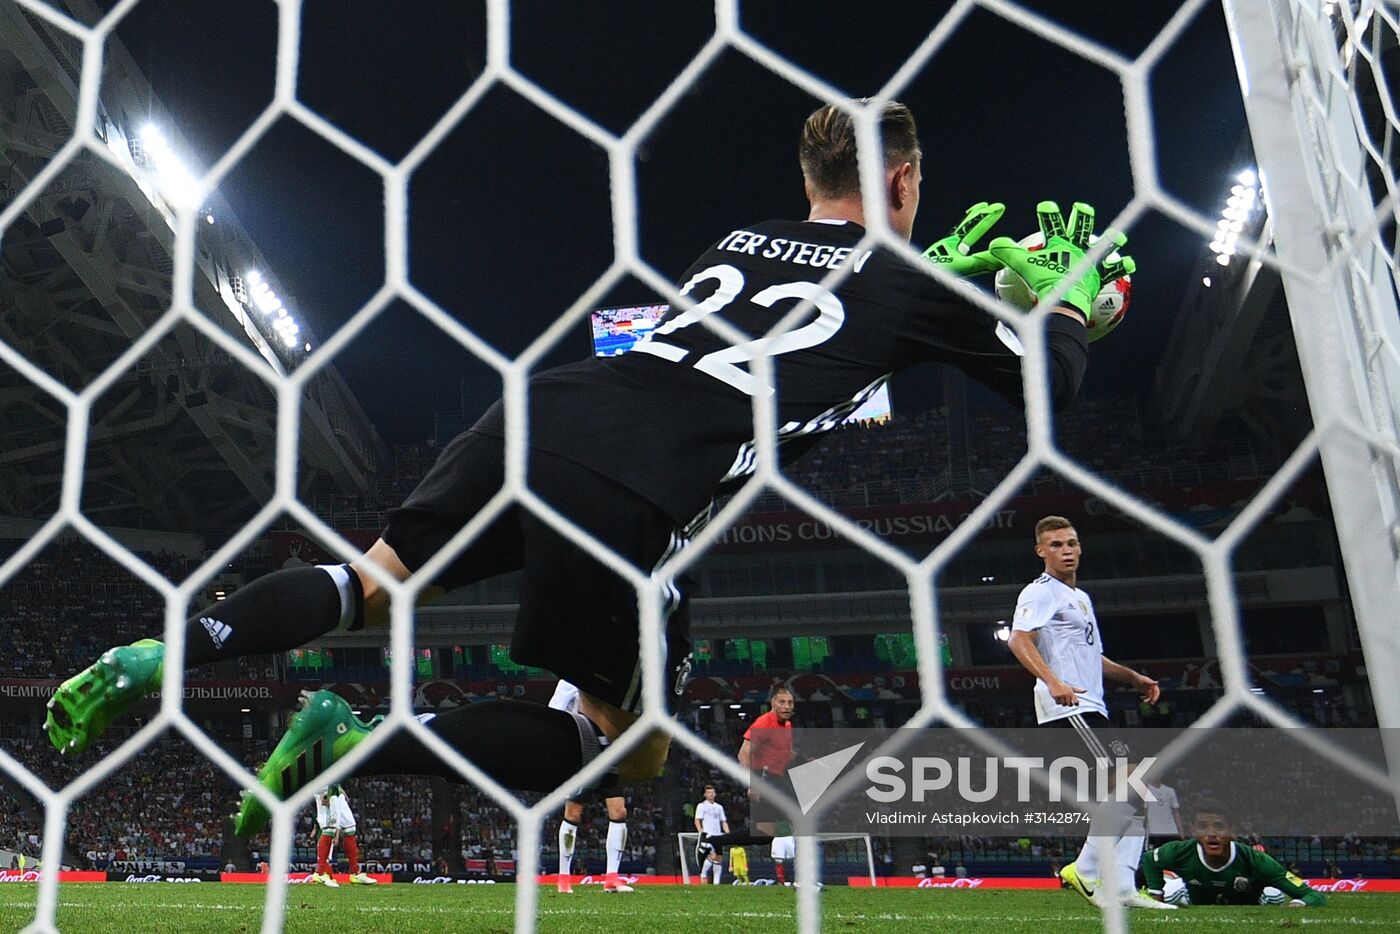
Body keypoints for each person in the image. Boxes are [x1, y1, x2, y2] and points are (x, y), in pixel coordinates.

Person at [42, 99, 1131, 833]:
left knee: (366, 584)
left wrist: (916, 293)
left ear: (808, 175)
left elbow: (792, 327)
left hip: (539, 410)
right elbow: (1058, 382)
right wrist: (1074, 300)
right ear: (902, 180)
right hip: (634, 482)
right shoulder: (906, 284)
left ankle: (169, 646)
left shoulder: (739, 244)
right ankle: (350, 747)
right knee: (623, 755)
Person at [1006, 515, 1165, 911]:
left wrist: (1132, 677)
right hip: (1068, 708)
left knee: (1138, 792)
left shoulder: (1079, 597)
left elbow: (1093, 655)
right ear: (1041, 551)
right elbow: (1018, 639)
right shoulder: (1040, 592)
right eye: (1056, 545)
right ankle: (1085, 869)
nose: (1067, 551)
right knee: (1130, 783)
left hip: (1093, 705)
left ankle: (1124, 886)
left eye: (1072, 543)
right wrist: (1053, 682)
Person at [1142, 800, 1327, 907]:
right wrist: (1157, 899)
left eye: (1219, 827)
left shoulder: (1257, 861)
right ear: (1193, 830)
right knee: (1173, 891)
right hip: (1194, 900)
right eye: (1203, 827)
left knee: (1273, 896)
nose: (1211, 833)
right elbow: (1150, 859)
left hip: (1250, 903)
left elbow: (1314, 896)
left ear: (1233, 831)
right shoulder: (1180, 851)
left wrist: (1300, 904)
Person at [549, 680, 632, 894]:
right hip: (584, 748)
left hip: (609, 748)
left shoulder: (606, 677)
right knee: (574, 813)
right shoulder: (570, 679)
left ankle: (612, 877)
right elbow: (554, 711)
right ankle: (564, 878)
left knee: (619, 810)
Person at [309, 782, 377, 886]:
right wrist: (322, 792)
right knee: (329, 828)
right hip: (325, 790)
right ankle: (320, 873)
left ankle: (355, 873)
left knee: (350, 827)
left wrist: (340, 789)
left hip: (336, 790)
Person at [693, 784, 728, 884]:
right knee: (712, 855)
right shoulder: (702, 806)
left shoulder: (719, 807)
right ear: (705, 794)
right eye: (708, 792)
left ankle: (716, 883)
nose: (711, 794)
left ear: (715, 794)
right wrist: (701, 831)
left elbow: (723, 821)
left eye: (712, 792)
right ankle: (703, 874)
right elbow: (697, 819)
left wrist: (727, 833)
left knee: (718, 859)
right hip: (708, 834)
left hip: (718, 835)